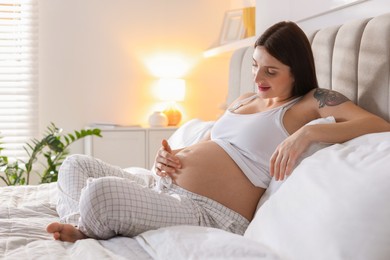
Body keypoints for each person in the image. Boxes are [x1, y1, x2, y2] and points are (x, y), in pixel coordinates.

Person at [46, 21, 390, 242]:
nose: (258, 80)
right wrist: (169, 157)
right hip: (162, 187)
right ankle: (82, 222)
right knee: (75, 164)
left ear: (296, 72)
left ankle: (83, 224)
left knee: (100, 195)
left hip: (209, 212)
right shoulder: (243, 100)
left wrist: (308, 134)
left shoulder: (309, 103)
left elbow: (378, 124)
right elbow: (211, 146)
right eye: (255, 66)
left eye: (271, 72)